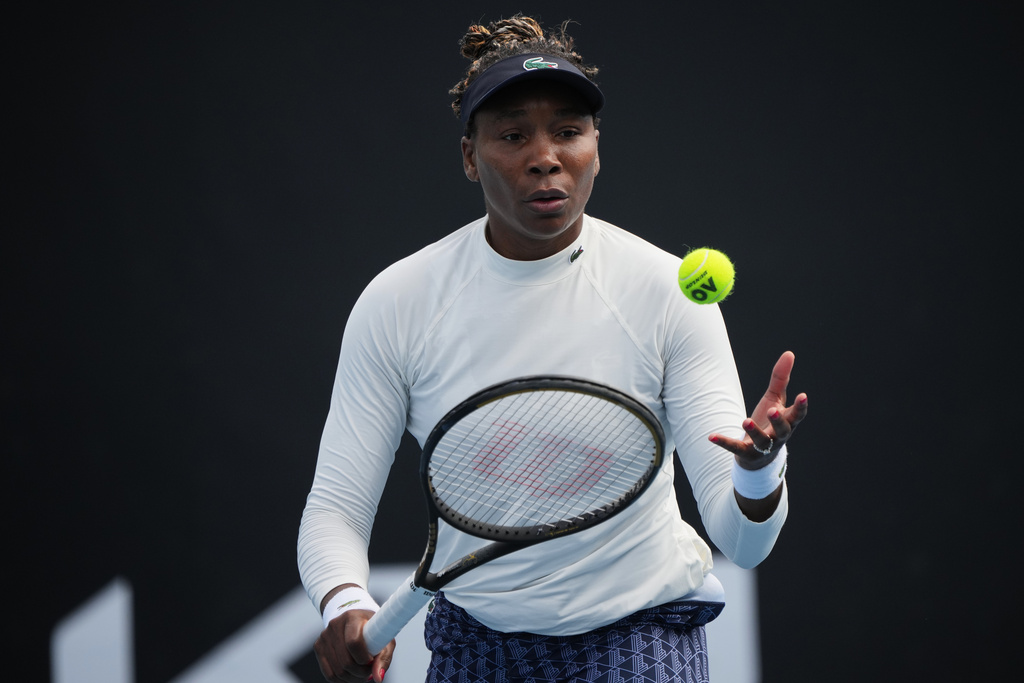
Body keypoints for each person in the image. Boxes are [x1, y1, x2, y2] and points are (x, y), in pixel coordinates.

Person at [298, 15, 808, 683]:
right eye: (512, 135)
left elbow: (743, 543)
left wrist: (758, 471)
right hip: (474, 642)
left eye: (569, 131)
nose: (546, 156)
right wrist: (345, 600)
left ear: (597, 145)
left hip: (639, 635)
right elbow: (335, 506)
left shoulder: (667, 291)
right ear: (469, 155)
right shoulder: (399, 303)